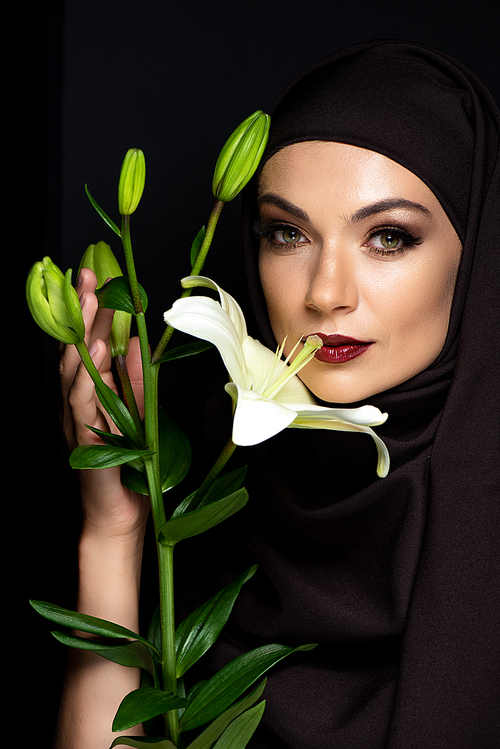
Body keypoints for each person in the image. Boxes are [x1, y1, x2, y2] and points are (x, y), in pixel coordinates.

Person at [56, 39, 500, 748]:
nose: (326, 294)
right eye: (287, 233)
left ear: (477, 250)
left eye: (387, 237)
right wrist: (113, 535)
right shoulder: (206, 475)